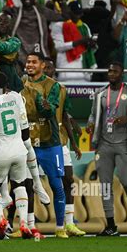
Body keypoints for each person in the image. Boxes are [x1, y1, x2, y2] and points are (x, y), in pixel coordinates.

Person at [86, 61, 127, 236]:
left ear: (122, 73)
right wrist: (90, 123)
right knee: (105, 186)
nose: (111, 74)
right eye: (109, 70)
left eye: (115, 71)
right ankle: (111, 225)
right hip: (104, 144)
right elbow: (93, 114)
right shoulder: (100, 93)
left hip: (124, 144)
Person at [20, 52, 68, 238]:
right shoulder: (20, 85)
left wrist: (40, 99)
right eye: (28, 62)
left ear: (42, 65)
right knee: (24, 186)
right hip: (27, 143)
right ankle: (27, 226)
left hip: (49, 142)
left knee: (57, 185)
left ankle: (60, 227)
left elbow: (49, 111)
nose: (29, 65)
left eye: (34, 62)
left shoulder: (53, 86)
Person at [0, 72, 33, 240]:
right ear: (7, 86)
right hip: (19, 150)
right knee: (20, 186)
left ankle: (0, 221)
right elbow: (25, 128)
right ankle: (25, 224)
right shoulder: (16, 97)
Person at [43, 58, 85, 237]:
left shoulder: (60, 89)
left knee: (68, 180)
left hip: (60, 142)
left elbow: (65, 115)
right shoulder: (30, 86)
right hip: (38, 143)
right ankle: (26, 223)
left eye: (50, 67)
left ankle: (69, 223)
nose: (47, 69)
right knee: (27, 184)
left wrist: (74, 143)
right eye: (44, 67)